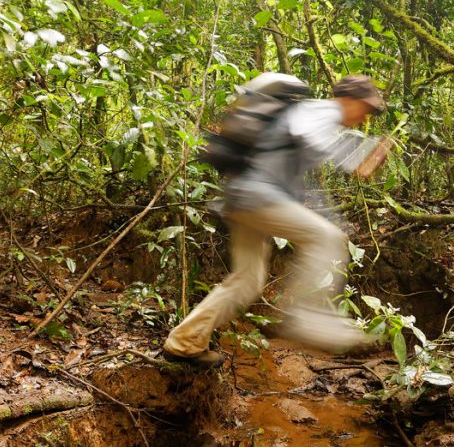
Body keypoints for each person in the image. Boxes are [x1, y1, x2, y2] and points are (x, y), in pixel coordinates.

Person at [163, 74, 387, 367]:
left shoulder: (315, 115)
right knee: (328, 237)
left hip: (243, 196)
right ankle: (306, 318)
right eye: (365, 109)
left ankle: (185, 342)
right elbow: (312, 138)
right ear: (349, 100)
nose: (364, 117)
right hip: (258, 196)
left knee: (249, 278)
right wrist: (358, 158)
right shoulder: (323, 111)